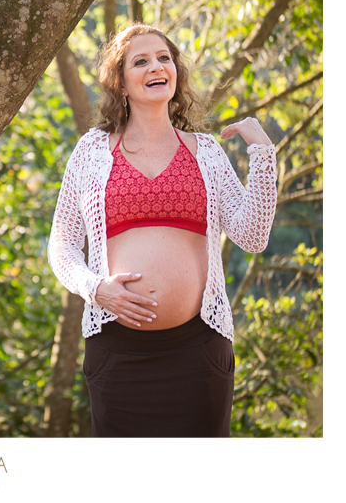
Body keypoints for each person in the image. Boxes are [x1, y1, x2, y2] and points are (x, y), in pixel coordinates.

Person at [47, 23, 277, 437]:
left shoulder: (206, 151)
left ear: (175, 72)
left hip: (199, 351)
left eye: (164, 58)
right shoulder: (91, 152)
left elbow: (253, 234)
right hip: (117, 353)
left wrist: (262, 151)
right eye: (141, 61)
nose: (157, 66)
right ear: (120, 82)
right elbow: (61, 246)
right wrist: (95, 288)